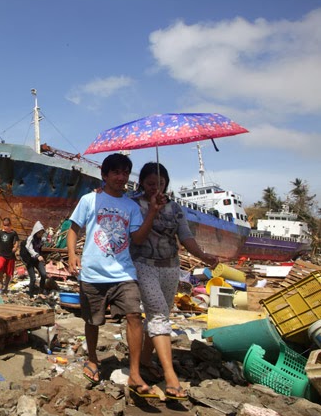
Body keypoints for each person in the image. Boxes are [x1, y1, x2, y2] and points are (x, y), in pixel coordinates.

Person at [67, 153, 164, 398]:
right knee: (92, 321)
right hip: (92, 273)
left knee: (134, 315)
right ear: (105, 175)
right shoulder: (90, 200)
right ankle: (92, 359)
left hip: (123, 272)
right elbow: (73, 229)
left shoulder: (131, 206)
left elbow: (138, 238)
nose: (121, 178)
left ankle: (134, 372)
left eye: (125, 173)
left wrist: (152, 212)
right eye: (116, 172)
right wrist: (71, 254)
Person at [131, 162, 219, 401]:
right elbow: (136, 238)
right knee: (158, 314)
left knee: (160, 315)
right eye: (150, 183)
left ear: (166, 184)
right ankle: (171, 377)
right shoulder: (134, 205)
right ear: (141, 183)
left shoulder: (176, 209)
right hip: (144, 264)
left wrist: (202, 255)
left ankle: (147, 360)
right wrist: (152, 211)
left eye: (160, 184)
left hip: (170, 267)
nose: (155, 188)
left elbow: (186, 237)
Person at [21, 221, 48, 296]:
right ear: (36, 232)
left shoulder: (41, 239)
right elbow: (29, 248)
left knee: (43, 274)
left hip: (37, 260)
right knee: (33, 278)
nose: (40, 234)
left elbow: (46, 240)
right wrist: (37, 255)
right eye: (39, 233)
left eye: (42, 233)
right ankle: (31, 294)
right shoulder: (31, 239)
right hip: (29, 260)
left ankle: (41, 291)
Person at [0, 217, 19, 294]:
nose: (6, 227)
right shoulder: (0, 233)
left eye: (8, 225)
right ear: (3, 225)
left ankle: (6, 286)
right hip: (2, 254)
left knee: (9, 272)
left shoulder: (13, 233)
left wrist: (15, 247)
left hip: (10, 255)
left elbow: (17, 242)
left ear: (10, 225)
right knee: (0, 268)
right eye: (5, 225)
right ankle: (1, 282)